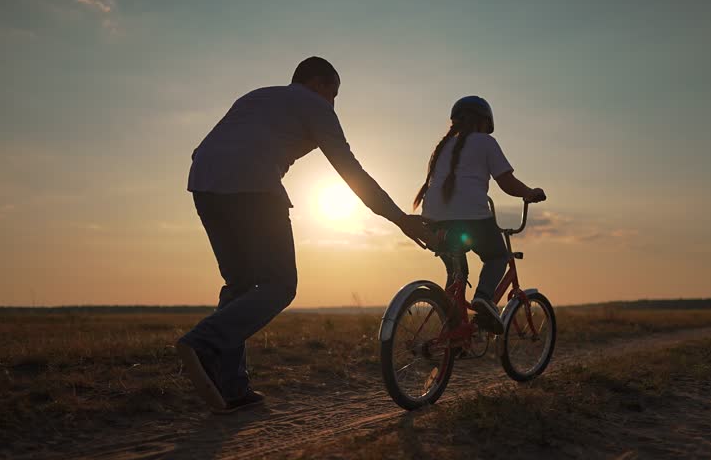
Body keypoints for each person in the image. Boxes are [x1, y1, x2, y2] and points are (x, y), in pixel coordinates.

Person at [177, 57, 432, 413]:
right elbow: (350, 172)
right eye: (334, 93)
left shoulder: (256, 96)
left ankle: (231, 387)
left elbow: (207, 147)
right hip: (254, 187)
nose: (333, 102)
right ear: (318, 83)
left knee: (239, 284)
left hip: (203, 183)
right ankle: (205, 342)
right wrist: (400, 218)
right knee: (279, 285)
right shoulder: (316, 106)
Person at [414, 96, 546, 334]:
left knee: (456, 274)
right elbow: (506, 181)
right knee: (497, 256)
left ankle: (452, 335)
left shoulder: (442, 147)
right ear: (485, 122)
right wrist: (529, 193)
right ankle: (484, 299)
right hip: (471, 220)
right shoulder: (485, 142)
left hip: (433, 223)